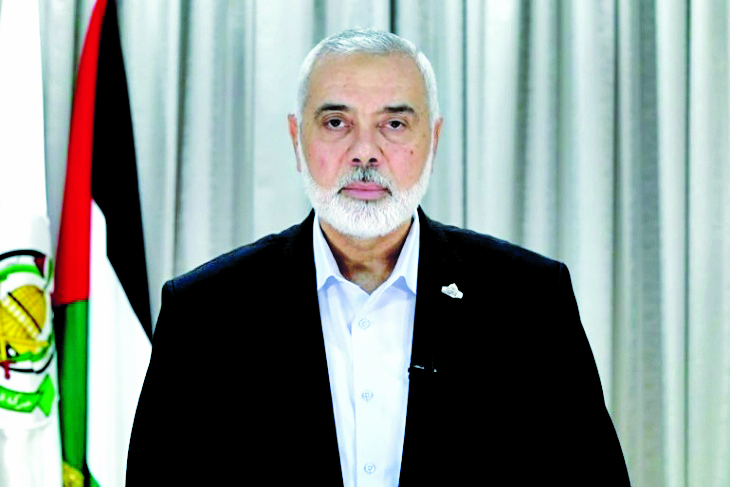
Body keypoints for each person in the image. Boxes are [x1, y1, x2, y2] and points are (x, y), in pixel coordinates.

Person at [126, 28, 631, 486]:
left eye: (393, 124)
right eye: (336, 122)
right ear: (297, 139)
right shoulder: (206, 311)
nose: (364, 152)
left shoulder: (530, 300)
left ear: (433, 139)